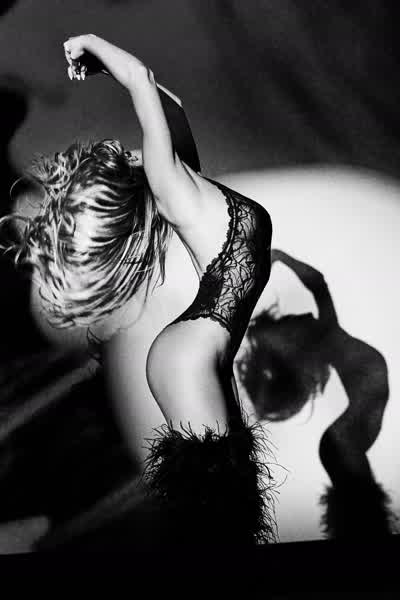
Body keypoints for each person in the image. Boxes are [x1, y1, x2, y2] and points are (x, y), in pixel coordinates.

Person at [0, 34, 277, 546]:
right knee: (222, 517)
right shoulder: (172, 191)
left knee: (226, 513)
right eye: (133, 157)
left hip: (194, 347)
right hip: (185, 356)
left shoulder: (184, 182)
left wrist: (107, 68)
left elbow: (170, 107)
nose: (139, 150)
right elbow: (143, 84)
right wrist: (94, 48)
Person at [238, 249, 394, 538]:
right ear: (296, 334)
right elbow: (317, 282)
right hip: (345, 434)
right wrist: (279, 257)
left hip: (347, 433)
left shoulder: (324, 341)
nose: (305, 313)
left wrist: (278, 258)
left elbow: (317, 284)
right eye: (296, 318)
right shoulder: (325, 332)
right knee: (363, 509)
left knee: (360, 508)